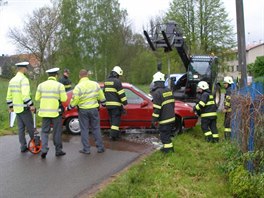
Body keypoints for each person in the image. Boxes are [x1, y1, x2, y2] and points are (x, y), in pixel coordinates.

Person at [67, 69, 106, 154]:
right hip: (94, 109)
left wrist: (70, 107)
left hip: (83, 110)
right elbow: (101, 96)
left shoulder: (78, 87)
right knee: (96, 128)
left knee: (84, 129)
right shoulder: (95, 84)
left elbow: (75, 100)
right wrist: (103, 103)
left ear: (79, 76)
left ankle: (86, 149)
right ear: (87, 75)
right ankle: (100, 147)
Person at [35, 68, 67, 158]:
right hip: (55, 113)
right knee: (56, 132)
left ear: (48, 75)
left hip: (44, 113)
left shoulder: (41, 85)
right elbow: (64, 99)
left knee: (44, 132)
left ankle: (44, 149)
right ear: (56, 75)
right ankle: (58, 150)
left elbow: (37, 98)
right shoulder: (59, 85)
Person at [6, 61, 35, 153]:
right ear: (23, 68)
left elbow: (8, 97)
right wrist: (31, 105)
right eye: (26, 68)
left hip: (17, 109)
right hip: (24, 108)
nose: (26, 69)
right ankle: (35, 145)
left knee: (21, 129)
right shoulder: (24, 80)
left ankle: (23, 147)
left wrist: (11, 107)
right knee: (30, 127)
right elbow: (25, 96)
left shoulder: (12, 80)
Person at [151, 71, 175, 153]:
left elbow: (157, 109)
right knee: (167, 135)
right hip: (171, 117)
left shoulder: (157, 93)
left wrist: (154, 120)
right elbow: (172, 104)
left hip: (165, 119)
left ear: (156, 82)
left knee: (164, 136)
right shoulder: (168, 90)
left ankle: (168, 151)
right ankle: (169, 149)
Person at [104, 66, 127, 140]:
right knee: (115, 122)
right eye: (119, 75)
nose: (119, 77)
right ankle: (113, 136)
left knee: (112, 121)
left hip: (108, 106)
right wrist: (125, 102)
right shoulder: (117, 82)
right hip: (116, 106)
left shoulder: (106, 81)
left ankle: (116, 135)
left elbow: (104, 92)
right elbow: (121, 94)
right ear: (117, 74)